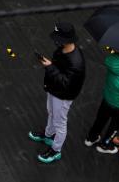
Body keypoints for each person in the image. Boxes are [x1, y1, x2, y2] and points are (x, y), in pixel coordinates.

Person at [28, 22, 85, 164]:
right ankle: (48, 134)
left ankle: (56, 150)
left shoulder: (76, 62)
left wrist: (50, 67)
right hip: (55, 89)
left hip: (63, 95)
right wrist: (51, 66)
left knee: (60, 122)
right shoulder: (62, 50)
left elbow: (66, 82)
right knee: (51, 112)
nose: (55, 41)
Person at [84, 52, 119, 155]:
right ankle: (105, 145)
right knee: (113, 127)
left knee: (100, 120)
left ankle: (91, 138)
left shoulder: (111, 70)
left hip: (106, 101)